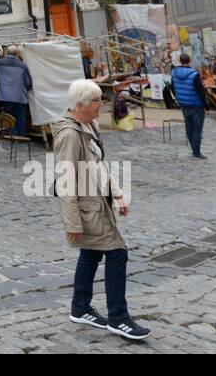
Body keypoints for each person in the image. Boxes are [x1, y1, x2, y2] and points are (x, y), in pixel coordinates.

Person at [54, 79, 150, 341]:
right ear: (82, 104)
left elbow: (98, 166)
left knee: (92, 253)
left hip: (100, 202)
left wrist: (118, 193)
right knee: (117, 253)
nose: (102, 105)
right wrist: (72, 222)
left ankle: (80, 307)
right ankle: (119, 318)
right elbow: (64, 182)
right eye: (97, 100)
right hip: (87, 207)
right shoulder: (70, 134)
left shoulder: (90, 126)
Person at [0, 46, 33, 137]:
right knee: (20, 115)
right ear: (16, 54)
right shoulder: (23, 65)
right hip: (20, 95)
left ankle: (12, 134)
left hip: (5, 95)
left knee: (9, 116)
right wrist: (25, 90)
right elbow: (29, 82)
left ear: (6, 53)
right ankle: (20, 135)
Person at [171, 53, 209, 159]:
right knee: (197, 129)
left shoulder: (174, 73)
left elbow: (173, 88)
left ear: (180, 60)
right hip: (196, 105)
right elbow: (201, 92)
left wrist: (179, 98)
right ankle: (196, 152)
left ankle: (194, 149)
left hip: (184, 104)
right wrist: (206, 106)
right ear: (190, 60)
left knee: (189, 128)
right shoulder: (194, 74)